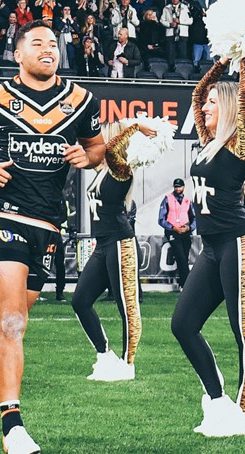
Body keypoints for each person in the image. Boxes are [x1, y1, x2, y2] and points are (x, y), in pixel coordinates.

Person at [0, 21, 104, 453]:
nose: (49, 49)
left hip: (48, 224)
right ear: (18, 54)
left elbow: (99, 147)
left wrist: (87, 156)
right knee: (13, 322)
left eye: (54, 44)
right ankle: (13, 427)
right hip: (1, 214)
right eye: (38, 43)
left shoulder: (82, 100)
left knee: (1, 322)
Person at [172, 39, 245, 438]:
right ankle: (216, 400)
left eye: (213, 103)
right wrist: (221, 62)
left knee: (244, 331)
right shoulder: (207, 143)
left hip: (241, 245)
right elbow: (194, 94)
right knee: (183, 324)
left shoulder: (240, 143)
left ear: (226, 108)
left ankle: (241, 415)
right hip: (211, 247)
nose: (205, 107)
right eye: (207, 103)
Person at [74, 119, 166, 383]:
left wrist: (134, 127)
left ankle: (128, 363)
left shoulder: (121, 169)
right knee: (80, 300)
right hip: (102, 244)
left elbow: (112, 148)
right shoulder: (103, 169)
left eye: (103, 137)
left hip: (120, 242)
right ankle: (104, 354)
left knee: (127, 306)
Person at [157, 178, 194, 289]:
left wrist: (189, 228)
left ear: (183, 187)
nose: (178, 189)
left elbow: (194, 218)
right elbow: (161, 219)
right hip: (173, 231)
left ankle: (182, 283)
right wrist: (172, 227)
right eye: (176, 187)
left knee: (184, 257)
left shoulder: (187, 201)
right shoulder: (167, 199)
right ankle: (187, 285)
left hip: (185, 231)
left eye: (179, 186)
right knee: (181, 257)